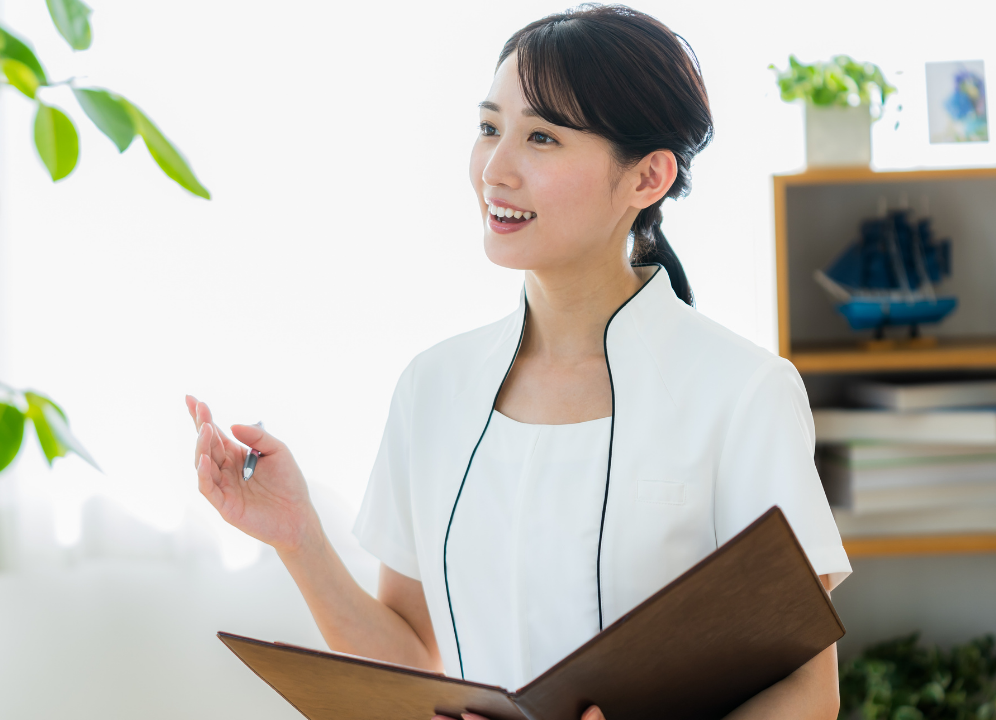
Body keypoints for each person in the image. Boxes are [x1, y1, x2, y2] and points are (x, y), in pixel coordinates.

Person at [186, 5, 850, 719]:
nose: (496, 170)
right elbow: (415, 660)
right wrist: (299, 536)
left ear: (647, 177)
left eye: (542, 137)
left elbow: (804, 693)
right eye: (488, 128)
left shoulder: (743, 393)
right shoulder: (433, 387)